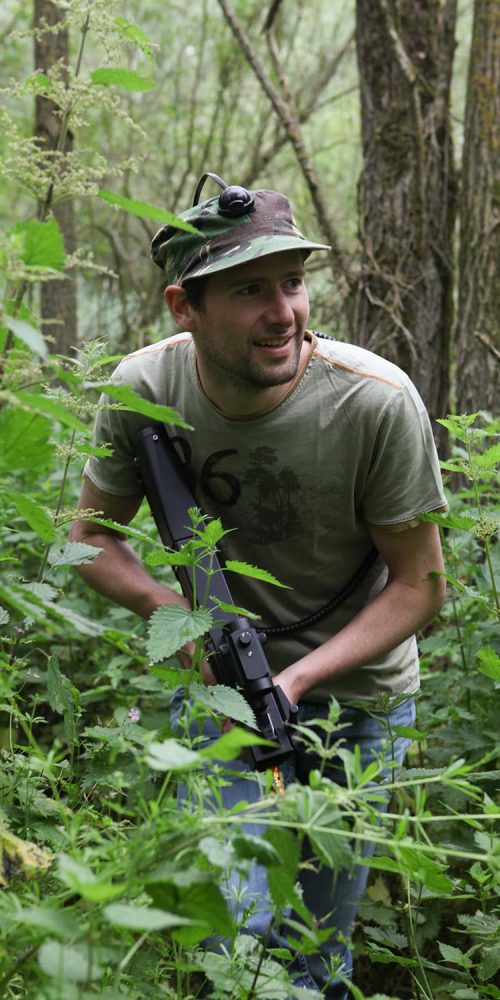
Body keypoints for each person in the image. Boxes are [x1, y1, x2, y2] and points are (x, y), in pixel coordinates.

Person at [71, 174, 447, 997]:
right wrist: (180, 620)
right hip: (221, 696)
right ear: (185, 307)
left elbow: (420, 586)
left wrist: (296, 679)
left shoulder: (375, 400)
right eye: (249, 291)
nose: (283, 312)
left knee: (316, 947)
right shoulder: (144, 390)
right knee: (231, 931)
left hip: (358, 702)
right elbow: (89, 540)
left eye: (293, 282)